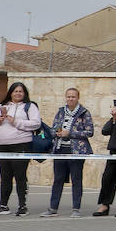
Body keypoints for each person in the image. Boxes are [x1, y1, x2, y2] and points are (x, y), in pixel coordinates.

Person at [0, 82, 42, 216]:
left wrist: (16, 121)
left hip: (21, 144)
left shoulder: (30, 106)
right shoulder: (1, 106)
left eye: (20, 91)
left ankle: (22, 205)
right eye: (15, 91)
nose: (18, 93)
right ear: (10, 93)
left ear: (25, 93)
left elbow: (36, 123)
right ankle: (3, 205)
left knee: (20, 176)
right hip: (3, 145)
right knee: (5, 176)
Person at [43, 87, 93, 217]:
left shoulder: (84, 113)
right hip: (60, 149)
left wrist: (70, 133)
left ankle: (76, 208)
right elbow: (53, 128)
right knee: (58, 179)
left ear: (78, 98)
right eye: (68, 96)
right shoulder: (60, 112)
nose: (71, 99)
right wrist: (57, 132)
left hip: (76, 151)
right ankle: (53, 208)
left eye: (73, 97)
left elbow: (89, 132)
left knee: (76, 179)